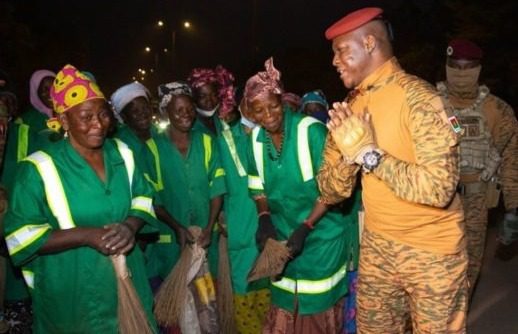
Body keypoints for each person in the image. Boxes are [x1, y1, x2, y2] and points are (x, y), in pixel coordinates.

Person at [318, 7, 467, 333]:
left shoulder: (420, 100)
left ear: (369, 43)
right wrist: (348, 156)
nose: (334, 61)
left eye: (342, 51)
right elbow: (330, 191)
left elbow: (438, 190)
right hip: (377, 248)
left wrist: (371, 155)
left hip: (433, 254)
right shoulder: (351, 106)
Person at [3, 64, 158, 333]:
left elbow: (144, 197)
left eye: (103, 114)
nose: (98, 124)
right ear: (63, 121)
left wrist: (130, 226)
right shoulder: (38, 168)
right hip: (71, 298)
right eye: (86, 117)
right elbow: (20, 235)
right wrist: (86, 235)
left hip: (126, 287)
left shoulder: (122, 153)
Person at [246, 58, 360, 333]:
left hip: (321, 240)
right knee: (285, 309)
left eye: (273, 106)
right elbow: (257, 185)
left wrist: (307, 226)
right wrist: (264, 217)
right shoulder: (254, 140)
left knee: (315, 314)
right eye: (259, 110)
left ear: (282, 101)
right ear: (251, 113)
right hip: (284, 242)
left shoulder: (311, 132)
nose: (269, 115)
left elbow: (334, 188)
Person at [436, 39, 518, 277]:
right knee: (432, 271)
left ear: (478, 69)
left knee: (469, 268)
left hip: (477, 201)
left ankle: (460, 314)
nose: (461, 73)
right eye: (455, 66)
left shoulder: (498, 110)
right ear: (447, 66)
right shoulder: (429, 103)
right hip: (436, 201)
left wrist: (513, 208)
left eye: (467, 67)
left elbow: (511, 159)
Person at [151, 81, 226, 278]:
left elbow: (217, 186)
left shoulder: (207, 142)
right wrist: (177, 227)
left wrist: (209, 227)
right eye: (178, 110)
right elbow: (153, 197)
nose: (186, 114)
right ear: (166, 113)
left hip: (205, 236)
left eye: (190, 108)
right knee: (178, 300)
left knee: (209, 297)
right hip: (173, 240)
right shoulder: (153, 148)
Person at [187, 65, 238, 135]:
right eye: (203, 96)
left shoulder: (226, 119)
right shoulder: (190, 126)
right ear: (194, 97)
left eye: (213, 95)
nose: (209, 100)